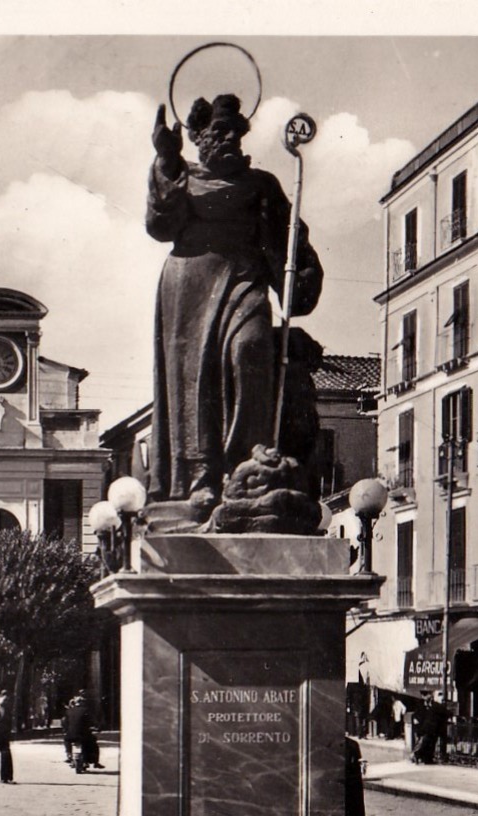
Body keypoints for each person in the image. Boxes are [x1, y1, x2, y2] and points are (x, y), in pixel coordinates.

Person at [145, 93, 325, 510]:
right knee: (196, 383)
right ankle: (202, 475)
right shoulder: (181, 176)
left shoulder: (261, 184)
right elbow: (159, 226)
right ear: (197, 136)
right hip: (188, 289)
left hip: (245, 279)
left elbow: (291, 240)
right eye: (219, 131)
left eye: (235, 131)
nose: (230, 138)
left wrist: (301, 276)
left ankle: (247, 462)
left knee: (252, 349)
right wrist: (166, 163)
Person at [63, 695, 101, 773]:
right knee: (94, 743)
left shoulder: (69, 711)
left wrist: (66, 730)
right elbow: (92, 721)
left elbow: (65, 722)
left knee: (67, 740)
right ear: (82, 702)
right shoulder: (86, 711)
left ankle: (69, 754)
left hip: (70, 735)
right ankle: (95, 762)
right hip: (83, 735)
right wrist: (96, 727)